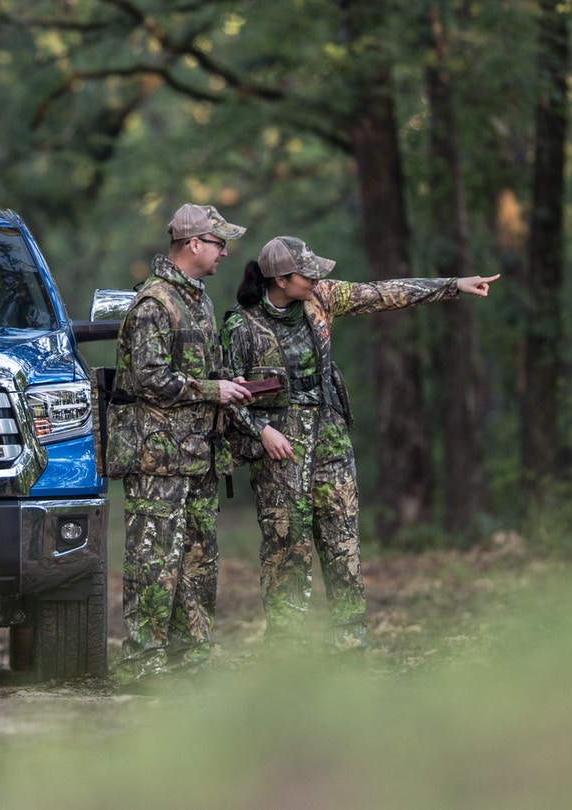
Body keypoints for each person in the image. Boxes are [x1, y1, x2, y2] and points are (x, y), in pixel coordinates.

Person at [221, 235, 499, 651]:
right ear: (280, 279)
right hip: (280, 451)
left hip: (331, 440)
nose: (316, 279)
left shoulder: (322, 299)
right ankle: (285, 651)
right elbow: (224, 395)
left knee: (342, 541)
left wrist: (454, 284)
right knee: (285, 547)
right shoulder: (241, 326)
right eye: (307, 273)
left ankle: (350, 642)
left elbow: (383, 293)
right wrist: (260, 431)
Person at [105, 203, 254, 689]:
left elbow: (197, 369)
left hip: (199, 455)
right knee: (154, 561)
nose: (225, 252)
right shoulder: (155, 303)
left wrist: (227, 382)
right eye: (218, 243)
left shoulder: (200, 300)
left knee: (198, 560)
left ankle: (189, 661)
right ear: (193, 243)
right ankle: (142, 665)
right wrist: (212, 390)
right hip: (158, 458)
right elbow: (147, 379)